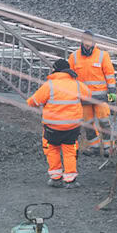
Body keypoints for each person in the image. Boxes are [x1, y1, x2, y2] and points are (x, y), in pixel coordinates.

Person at [27, 58, 91, 189]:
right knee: (69, 151)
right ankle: (70, 180)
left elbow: (32, 101)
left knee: (53, 150)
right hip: (72, 127)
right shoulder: (77, 85)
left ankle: (56, 178)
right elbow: (88, 96)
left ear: (56, 70)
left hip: (52, 127)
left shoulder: (49, 85)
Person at [68, 30, 117, 156]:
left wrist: (112, 91)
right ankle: (94, 148)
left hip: (100, 98)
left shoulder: (102, 55)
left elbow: (109, 75)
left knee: (105, 122)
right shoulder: (73, 57)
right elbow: (69, 77)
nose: (87, 45)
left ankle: (108, 148)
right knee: (88, 124)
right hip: (83, 99)